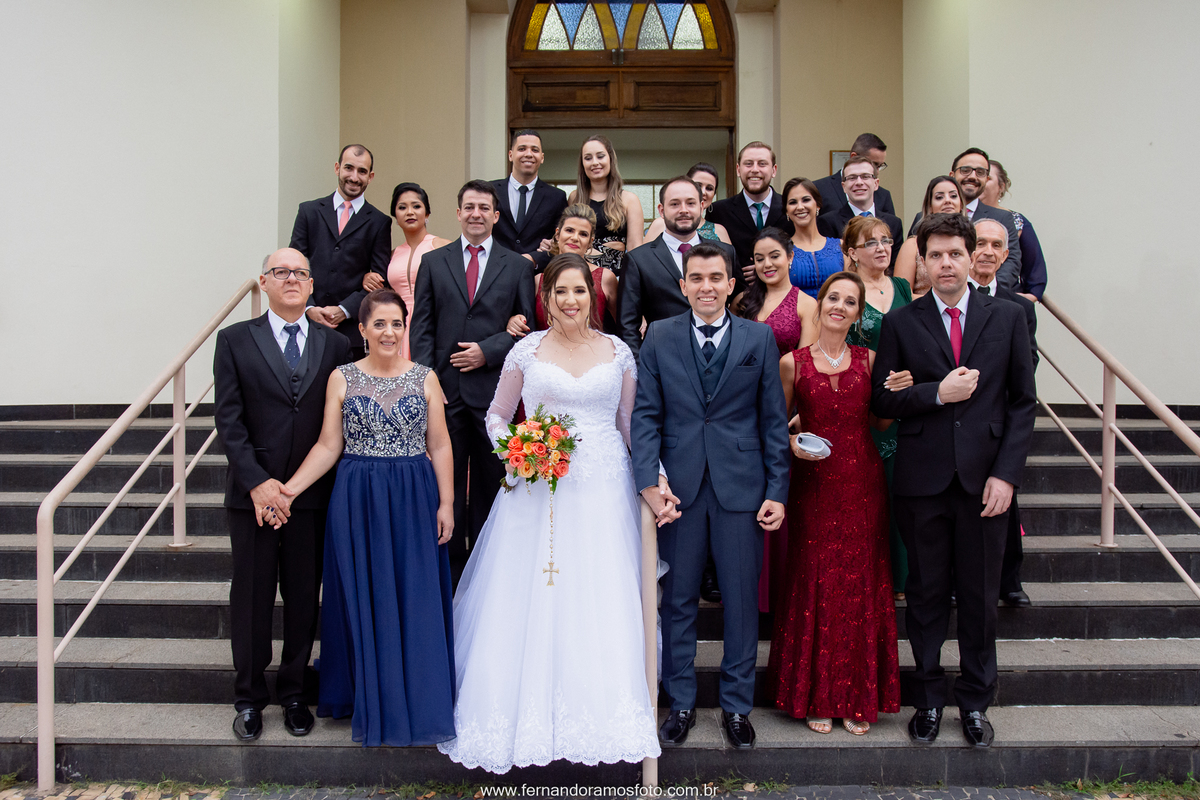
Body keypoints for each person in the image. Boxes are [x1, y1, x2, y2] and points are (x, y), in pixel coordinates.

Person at [438, 254, 661, 773]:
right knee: (532, 593)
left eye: (579, 290)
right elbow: (497, 415)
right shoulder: (526, 350)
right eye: (560, 291)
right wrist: (518, 450)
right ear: (546, 297)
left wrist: (657, 477)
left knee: (598, 594)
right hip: (539, 489)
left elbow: (629, 424)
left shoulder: (619, 352)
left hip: (604, 488)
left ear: (593, 295)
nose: (570, 300)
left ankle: (598, 713)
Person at [871, 213, 1037, 749]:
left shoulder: (1009, 317)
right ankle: (927, 700)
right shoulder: (901, 322)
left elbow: (1022, 403)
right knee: (924, 595)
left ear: (973, 257)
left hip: (986, 483)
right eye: (935, 255)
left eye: (955, 254)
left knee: (980, 596)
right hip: (922, 481)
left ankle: (975, 702)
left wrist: (1006, 476)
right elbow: (883, 400)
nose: (945, 263)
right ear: (922, 262)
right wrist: (935, 393)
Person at [279, 289, 456, 746]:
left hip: (414, 495)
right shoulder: (341, 378)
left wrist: (447, 503)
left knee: (413, 592)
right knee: (362, 592)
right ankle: (365, 693)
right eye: (379, 324)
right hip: (357, 496)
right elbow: (328, 445)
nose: (388, 332)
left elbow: (439, 444)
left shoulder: (425, 377)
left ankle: (415, 696)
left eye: (396, 323)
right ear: (361, 330)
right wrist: (289, 489)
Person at [632, 242, 791, 750]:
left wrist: (777, 490)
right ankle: (680, 702)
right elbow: (646, 415)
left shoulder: (758, 337)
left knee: (741, 602)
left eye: (715, 277)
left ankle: (737, 707)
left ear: (730, 284)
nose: (706, 287)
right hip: (677, 490)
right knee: (678, 600)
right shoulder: (659, 335)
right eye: (696, 278)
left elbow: (772, 420)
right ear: (683, 286)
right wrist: (649, 484)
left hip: (741, 488)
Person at [213, 248, 352, 742]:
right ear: (264, 282)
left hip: (309, 496)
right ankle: (249, 698)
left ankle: (294, 693)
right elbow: (228, 420)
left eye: (300, 273)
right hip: (252, 495)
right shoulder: (234, 340)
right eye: (281, 272)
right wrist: (258, 483)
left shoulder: (336, 346)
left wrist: (293, 488)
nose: (291, 279)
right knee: (251, 597)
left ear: (312, 285)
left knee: (302, 597)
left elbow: (337, 425)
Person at [768, 270, 902, 736]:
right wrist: (791, 443)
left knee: (861, 583)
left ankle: (857, 696)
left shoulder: (870, 360)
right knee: (816, 580)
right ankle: (817, 696)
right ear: (820, 303)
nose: (839, 306)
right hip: (813, 485)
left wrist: (897, 394)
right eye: (833, 298)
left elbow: (880, 424)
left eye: (850, 301)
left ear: (858, 313)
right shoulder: (792, 363)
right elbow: (775, 425)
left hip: (862, 483)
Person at [408, 180, 536, 567]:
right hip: (444, 394)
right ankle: (447, 574)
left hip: (493, 396)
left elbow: (526, 327)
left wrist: (488, 350)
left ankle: (484, 574)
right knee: (443, 487)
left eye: (484, 208)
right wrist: (429, 383)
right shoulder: (434, 262)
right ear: (458, 213)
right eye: (469, 207)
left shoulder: (517, 266)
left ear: (495, 216)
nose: (476, 214)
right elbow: (422, 328)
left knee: (490, 488)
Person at [733, 227, 818, 614]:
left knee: (778, 498)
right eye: (759, 258)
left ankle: (780, 596)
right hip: (741, 413)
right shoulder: (742, 302)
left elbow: (805, 365)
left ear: (790, 258)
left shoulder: (806, 305)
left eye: (774, 256)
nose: (767, 264)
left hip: (783, 415)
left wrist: (793, 418)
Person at [842, 215, 914, 600]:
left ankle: (902, 579)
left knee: (902, 491)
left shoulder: (902, 286)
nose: (882, 248)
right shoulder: (846, 289)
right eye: (871, 242)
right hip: (863, 403)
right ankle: (869, 580)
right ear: (853, 252)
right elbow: (836, 342)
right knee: (868, 496)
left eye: (886, 240)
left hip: (904, 402)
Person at [970, 218, 1040, 609]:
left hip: (999, 414)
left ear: (1006, 255)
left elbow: (1028, 362)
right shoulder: (950, 299)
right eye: (980, 243)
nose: (988, 252)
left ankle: (1009, 580)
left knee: (1004, 496)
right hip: (958, 413)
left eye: (996, 246)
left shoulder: (1019, 308)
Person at [289, 144, 392, 358]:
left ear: (370, 176)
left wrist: (344, 310)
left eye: (362, 171)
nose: (354, 177)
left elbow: (379, 281)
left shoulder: (379, 222)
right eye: (348, 168)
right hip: (305, 325)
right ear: (337, 168)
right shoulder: (308, 211)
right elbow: (294, 265)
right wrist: (309, 308)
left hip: (350, 333)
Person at [618, 177, 737, 359]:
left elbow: (738, 305)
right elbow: (628, 327)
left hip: (722, 358)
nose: (683, 210)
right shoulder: (638, 260)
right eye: (674, 204)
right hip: (664, 361)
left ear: (701, 206)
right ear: (661, 210)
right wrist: (641, 367)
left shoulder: (726, 252)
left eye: (690, 203)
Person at [908, 148, 1022, 292]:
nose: (973, 176)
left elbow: (1011, 262)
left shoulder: (1001, 218)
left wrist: (986, 293)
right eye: (965, 170)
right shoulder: (921, 219)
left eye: (980, 172)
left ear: (987, 179)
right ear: (952, 175)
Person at [363, 182, 450, 359]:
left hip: (432, 321)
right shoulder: (391, 255)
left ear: (427, 213)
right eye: (402, 207)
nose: (409, 212)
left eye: (416, 206)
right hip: (397, 324)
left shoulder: (443, 247)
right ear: (395, 215)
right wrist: (367, 277)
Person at [504, 204, 618, 333]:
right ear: (557, 234)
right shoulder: (538, 280)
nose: (575, 238)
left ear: (590, 242)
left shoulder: (605, 278)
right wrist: (513, 320)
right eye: (569, 230)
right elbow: (520, 318)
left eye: (583, 234)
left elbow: (623, 324)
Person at [707, 142, 787, 285]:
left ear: (774, 170)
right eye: (748, 164)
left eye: (762, 164)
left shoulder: (789, 208)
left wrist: (766, 268)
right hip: (738, 293)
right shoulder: (718, 211)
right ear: (738, 170)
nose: (755, 170)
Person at [568, 134, 644, 275]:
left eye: (600, 156)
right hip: (579, 275)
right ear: (582, 164)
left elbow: (635, 250)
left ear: (610, 159)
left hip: (617, 277)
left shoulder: (629, 200)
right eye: (588, 158)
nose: (594, 162)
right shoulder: (574, 198)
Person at [490, 129, 569, 257]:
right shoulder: (490, 191)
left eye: (535, 150)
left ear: (542, 158)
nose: (528, 154)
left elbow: (559, 241)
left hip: (537, 267)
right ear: (510, 155)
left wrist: (540, 254)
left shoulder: (556, 197)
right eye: (522, 149)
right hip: (496, 265)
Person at [816, 156, 903, 269]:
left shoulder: (894, 223)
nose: (859, 182)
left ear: (876, 183)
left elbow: (895, 267)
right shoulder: (828, 222)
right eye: (852, 178)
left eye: (865, 176)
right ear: (844, 187)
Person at [981, 160, 1047, 302]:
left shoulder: (1017, 221)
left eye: (987, 178)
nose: (980, 182)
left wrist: (1027, 298)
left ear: (1001, 187)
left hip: (1005, 299)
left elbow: (1035, 269)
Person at [895, 176, 966, 298]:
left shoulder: (973, 242)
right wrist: (942, 303)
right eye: (939, 197)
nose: (947, 200)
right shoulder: (913, 245)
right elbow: (901, 296)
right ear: (930, 207)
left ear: (961, 204)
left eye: (953, 196)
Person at [783, 177, 847, 299]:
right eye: (793, 202)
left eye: (806, 200)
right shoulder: (782, 250)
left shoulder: (841, 246)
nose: (800, 207)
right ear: (787, 211)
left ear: (817, 205)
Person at [812, 133, 897, 218]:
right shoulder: (818, 189)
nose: (877, 171)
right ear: (853, 157)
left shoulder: (883, 195)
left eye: (880, 166)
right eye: (874, 164)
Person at [645, 162, 733, 244]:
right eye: (698, 185)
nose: (703, 192)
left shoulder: (719, 231)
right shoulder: (660, 224)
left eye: (709, 188)